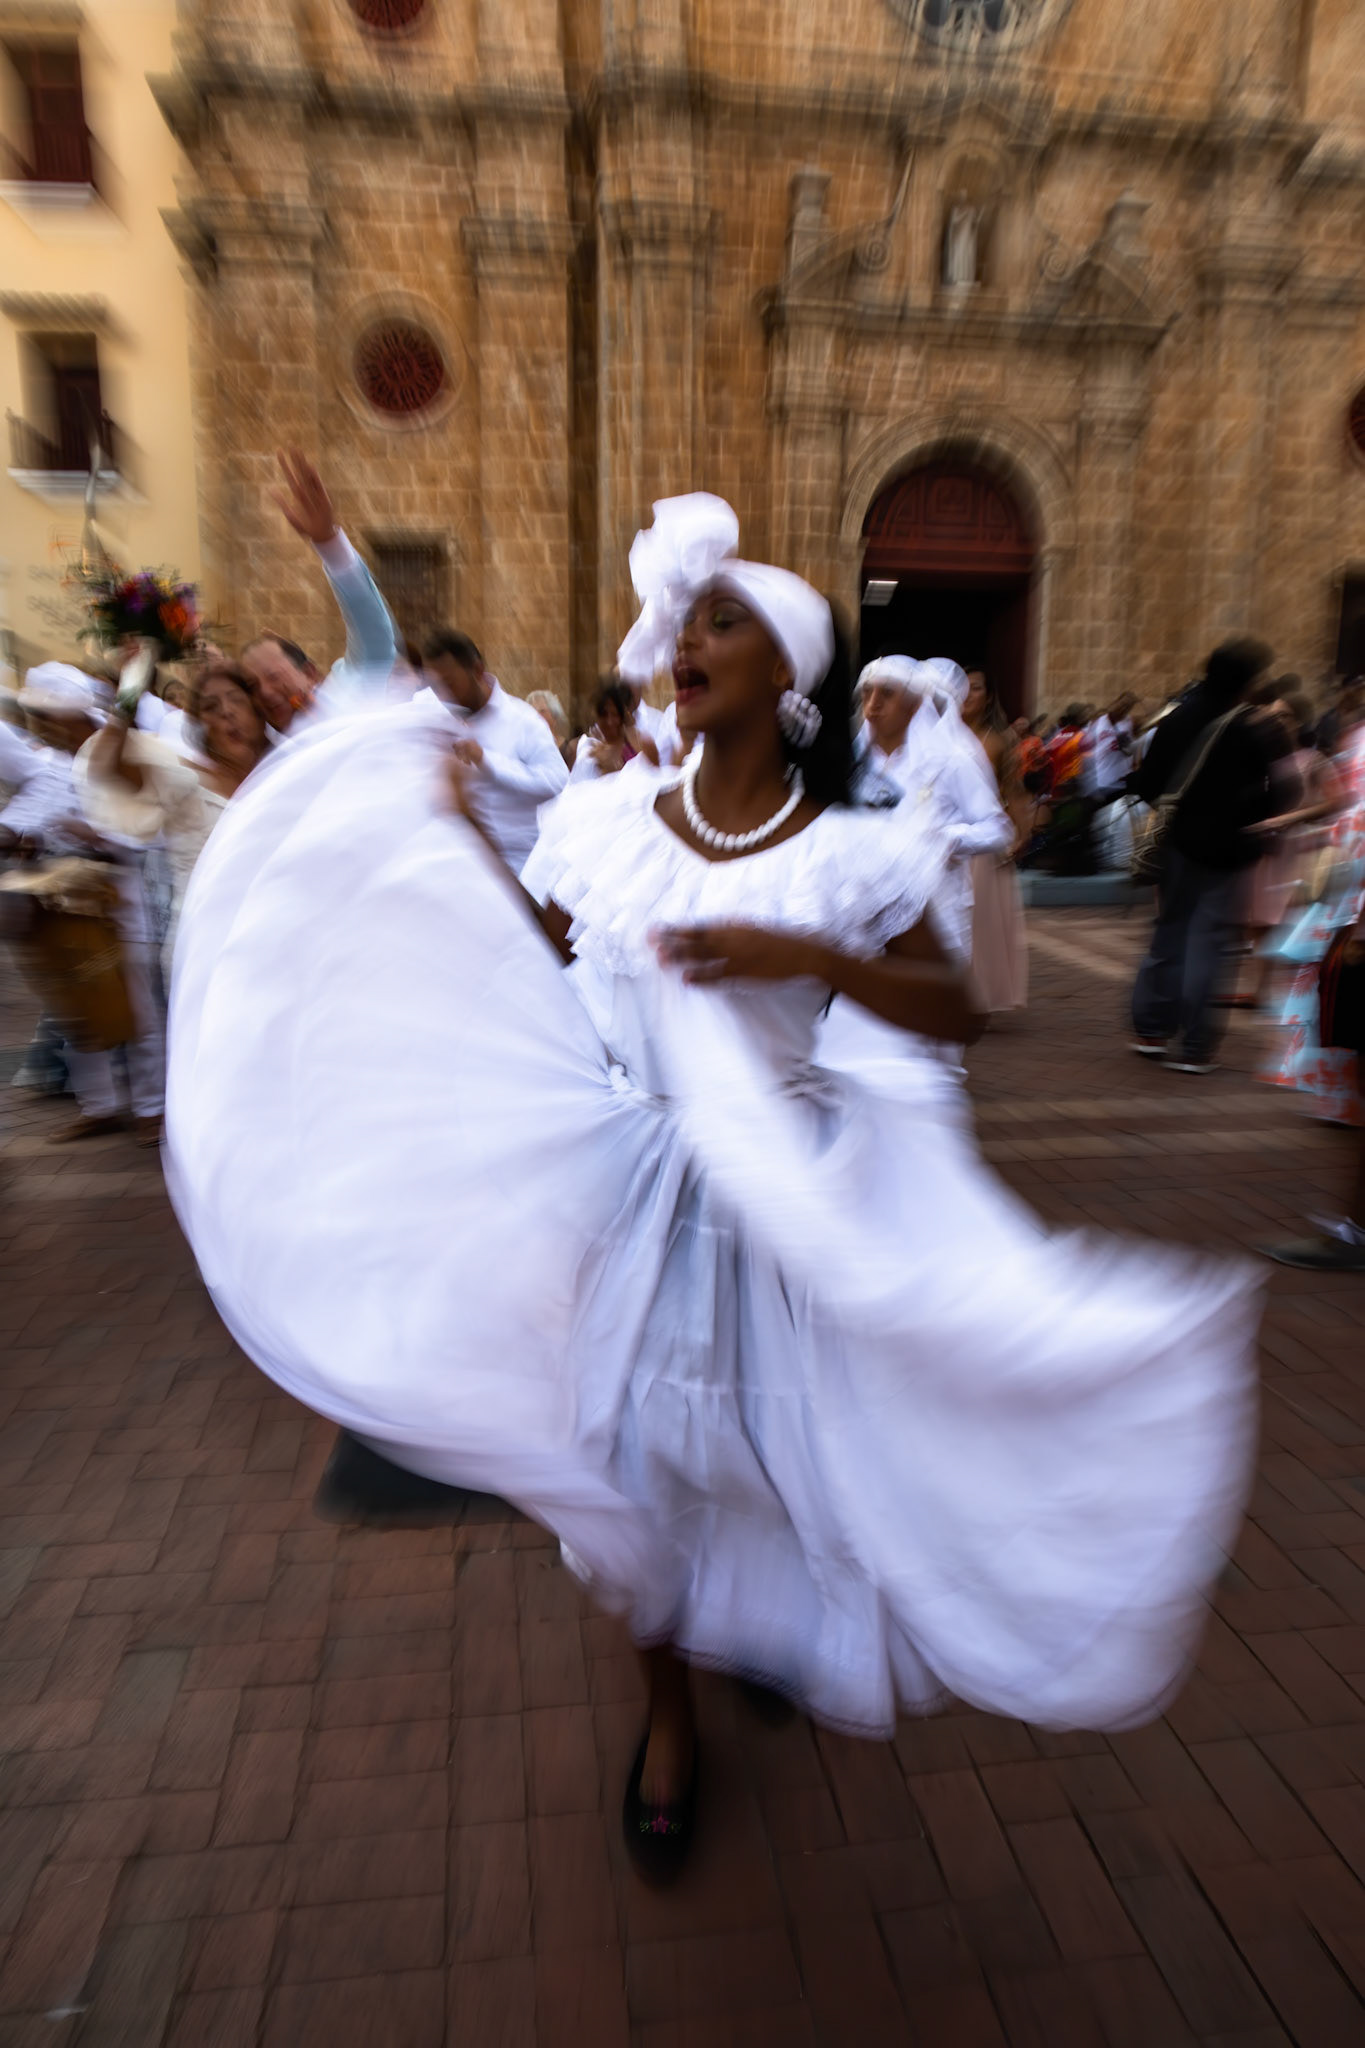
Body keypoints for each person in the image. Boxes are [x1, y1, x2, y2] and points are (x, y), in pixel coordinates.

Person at [167, 491, 1257, 1888]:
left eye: (725, 620)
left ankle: (757, 1624)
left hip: (782, 1205)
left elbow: (960, 1009)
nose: (688, 637)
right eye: (688, 619)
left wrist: (801, 958)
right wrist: (436, 853)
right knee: (631, 1474)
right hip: (626, 1188)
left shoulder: (849, 852)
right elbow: (542, 946)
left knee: (767, 1452)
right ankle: (667, 1719)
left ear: (788, 672)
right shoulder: (610, 818)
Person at [3, 665, 164, 1143]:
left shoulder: (124, 756)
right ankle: (100, 1106)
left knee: (137, 1009)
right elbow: (26, 824)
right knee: (75, 1004)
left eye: (54, 718)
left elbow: (151, 832)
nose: (47, 728)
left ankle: (152, 1107)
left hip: (122, 901)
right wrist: (25, 842)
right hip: (63, 904)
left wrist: (99, 836)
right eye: (41, 718)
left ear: (80, 716)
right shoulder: (51, 765)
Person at [1130, 637, 1284, 1074]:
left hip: (1177, 842)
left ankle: (1152, 1030)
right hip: (1228, 849)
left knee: (1169, 931)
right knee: (1208, 943)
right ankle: (1196, 1047)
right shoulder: (1251, 727)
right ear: (1247, 679)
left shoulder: (1177, 718)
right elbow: (1271, 794)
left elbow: (1146, 783)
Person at [77, 662, 271, 971]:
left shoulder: (281, 777)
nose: (227, 712)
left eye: (236, 699)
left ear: (256, 710)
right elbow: (105, 768)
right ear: (199, 723)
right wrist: (131, 687)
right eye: (211, 706)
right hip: (206, 951)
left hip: (270, 942)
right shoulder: (181, 777)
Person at [240, 450, 401, 739]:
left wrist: (329, 543)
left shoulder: (351, 687)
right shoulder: (264, 753)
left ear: (310, 673)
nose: (265, 692)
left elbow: (373, 630)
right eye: (251, 687)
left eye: (274, 677)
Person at [420, 628, 568, 871]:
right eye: (435, 686)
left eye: (449, 683)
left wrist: (487, 761)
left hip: (517, 866)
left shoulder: (523, 721)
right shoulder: (431, 713)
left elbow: (557, 782)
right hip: (452, 864)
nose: (442, 695)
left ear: (477, 671)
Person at [962, 671, 1028, 1015]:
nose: (967, 694)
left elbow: (1014, 791)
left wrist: (1021, 833)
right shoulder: (938, 736)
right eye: (962, 687)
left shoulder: (998, 741)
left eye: (976, 688)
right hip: (950, 839)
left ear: (988, 697)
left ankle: (980, 995)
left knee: (982, 924)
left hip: (984, 844)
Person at [527, 689, 575, 768]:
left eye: (542, 711)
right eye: (532, 711)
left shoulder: (567, 750)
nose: (536, 715)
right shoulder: (525, 749)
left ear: (554, 715)